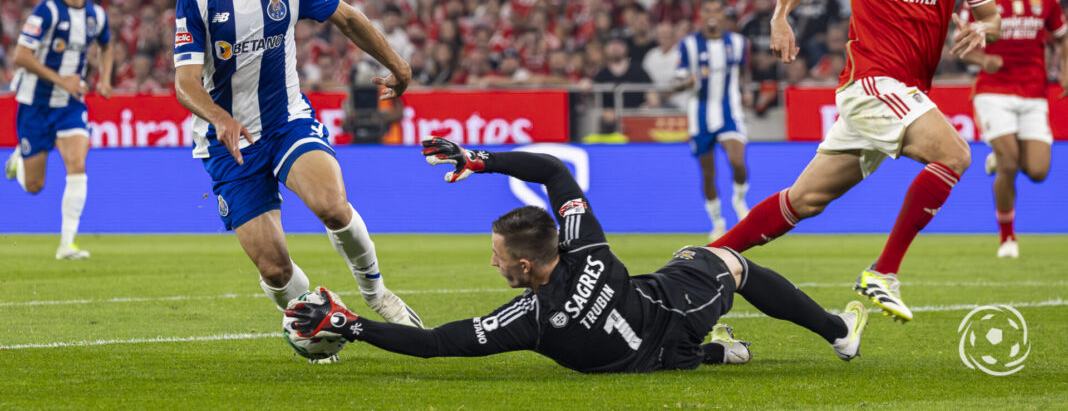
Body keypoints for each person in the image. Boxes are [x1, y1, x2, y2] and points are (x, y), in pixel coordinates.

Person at [711, 0, 1001, 323]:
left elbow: (991, 15)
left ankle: (703, 259)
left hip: (906, 92)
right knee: (955, 154)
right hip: (870, 82)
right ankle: (884, 272)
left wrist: (979, 29)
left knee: (804, 200)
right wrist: (780, 18)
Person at [283, 136, 869, 373]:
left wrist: (353, 327)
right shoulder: (583, 241)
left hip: (649, 358)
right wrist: (482, 159)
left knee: (700, 275)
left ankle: (717, 353)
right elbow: (554, 170)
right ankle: (836, 331)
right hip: (664, 318)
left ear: (525, 267)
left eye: (497, 256)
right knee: (723, 262)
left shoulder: (530, 320)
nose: (492, 263)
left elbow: (437, 343)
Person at [172, 0, 422, 337]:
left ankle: (377, 295)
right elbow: (185, 83)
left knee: (331, 205)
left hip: (287, 120)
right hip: (230, 143)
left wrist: (397, 64)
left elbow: (347, 18)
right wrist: (221, 118)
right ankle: (324, 320)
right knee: (274, 269)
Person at [959, 0, 1068, 259]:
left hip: (1034, 92)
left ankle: (1000, 156)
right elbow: (962, 47)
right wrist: (983, 58)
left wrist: (1064, 70)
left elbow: (1061, 37)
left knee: (1037, 171)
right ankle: (1007, 238)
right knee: (1009, 164)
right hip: (993, 90)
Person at [5, 0, 114, 260]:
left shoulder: (97, 15)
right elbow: (21, 56)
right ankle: (18, 158)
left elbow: (107, 45)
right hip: (35, 103)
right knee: (35, 186)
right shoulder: (46, 12)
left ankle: (67, 244)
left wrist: (105, 78)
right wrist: (61, 79)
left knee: (78, 165)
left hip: (70, 104)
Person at [674, 0, 751, 240]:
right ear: (701, 14)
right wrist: (687, 81)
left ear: (723, 16)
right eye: (708, 10)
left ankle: (739, 200)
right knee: (708, 173)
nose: (712, 15)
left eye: (717, 10)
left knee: (737, 161)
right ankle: (717, 222)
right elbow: (679, 80)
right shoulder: (689, 45)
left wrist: (746, 89)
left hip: (730, 110)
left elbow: (744, 71)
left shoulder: (738, 43)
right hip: (700, 113)